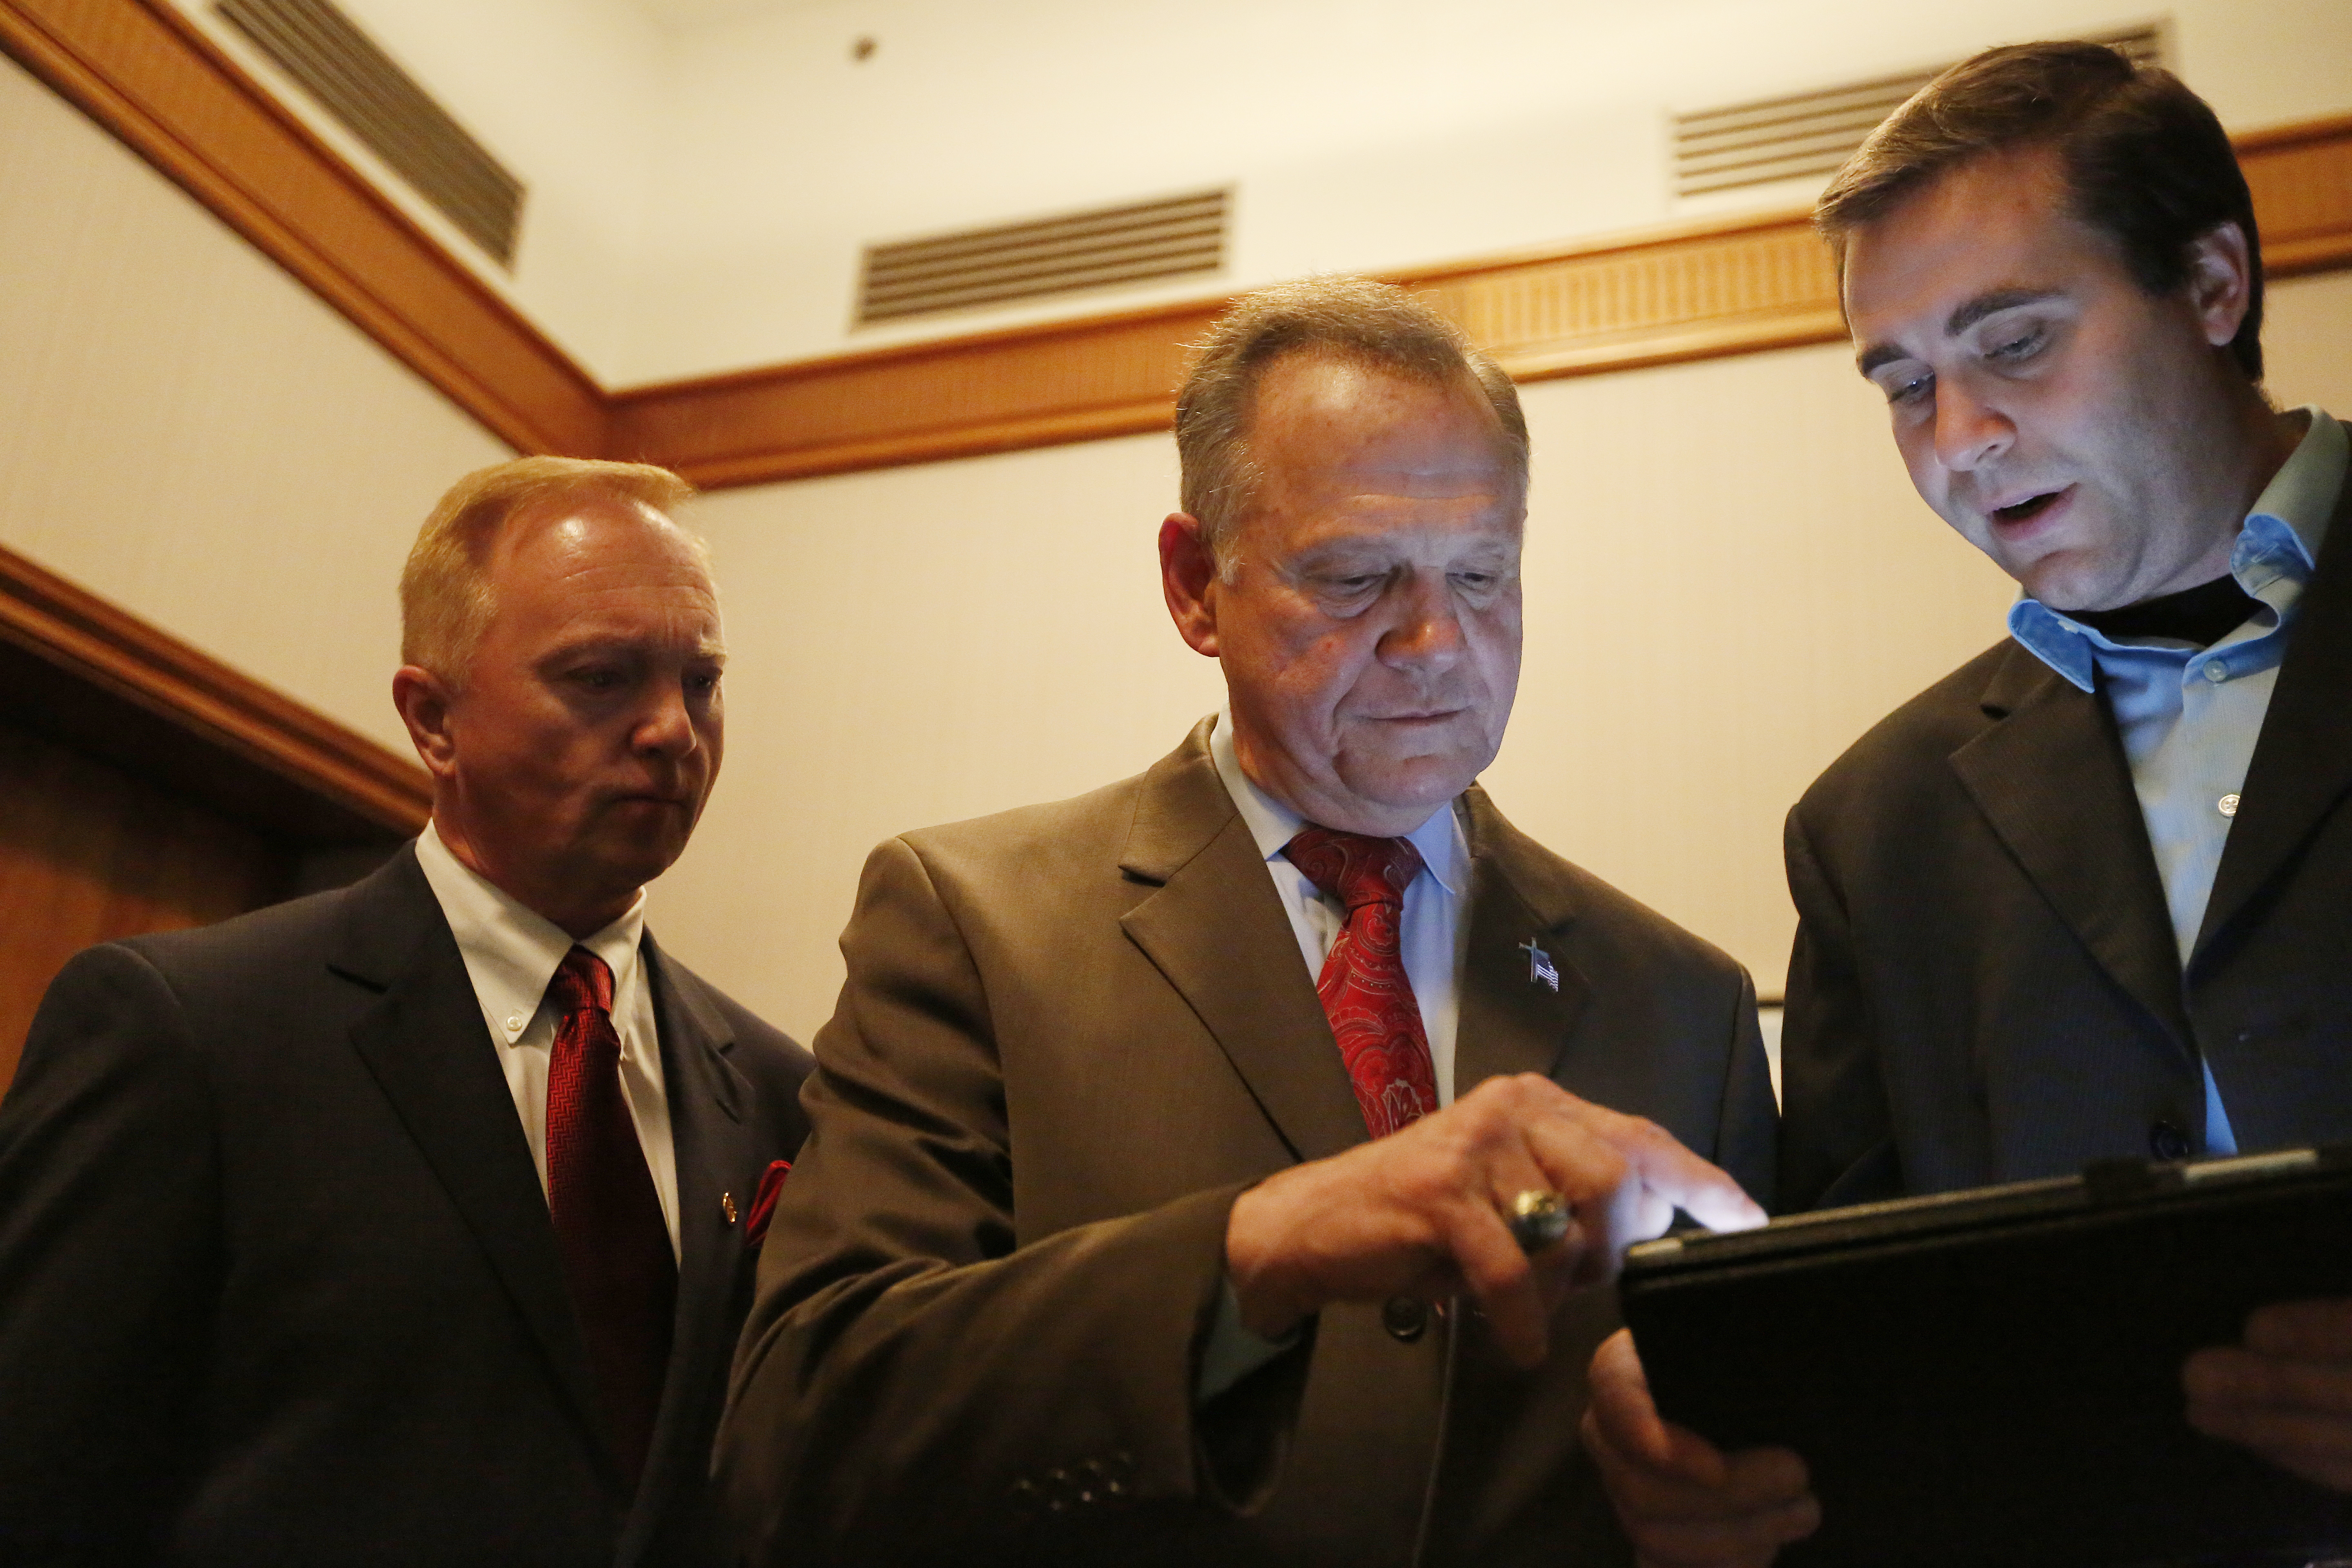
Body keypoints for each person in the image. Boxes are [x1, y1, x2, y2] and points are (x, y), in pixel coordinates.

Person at [715, 276, 1775, 1567]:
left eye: (1485, 574)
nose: (1438, 642)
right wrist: (1255, 1251)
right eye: (1355, 576)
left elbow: (1776, 1434)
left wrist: (1707, 1475)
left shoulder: (1687, 1002)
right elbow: (803, 1440)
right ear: (1194, 584)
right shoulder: (973, 924)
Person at [1584, 42, 2352, 1561]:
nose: (1958, 439)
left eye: (2014, 343)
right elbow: (1865, 1325)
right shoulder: (1875, 829)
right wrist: (1687, 1387)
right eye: (1905, 382)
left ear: (2212, 285)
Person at [0, 456, 815, 1566]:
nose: (674, 729)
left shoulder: (780, 1092)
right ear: (433, 720)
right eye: (601, 677)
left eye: (702, 681)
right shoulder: (189, 1034)